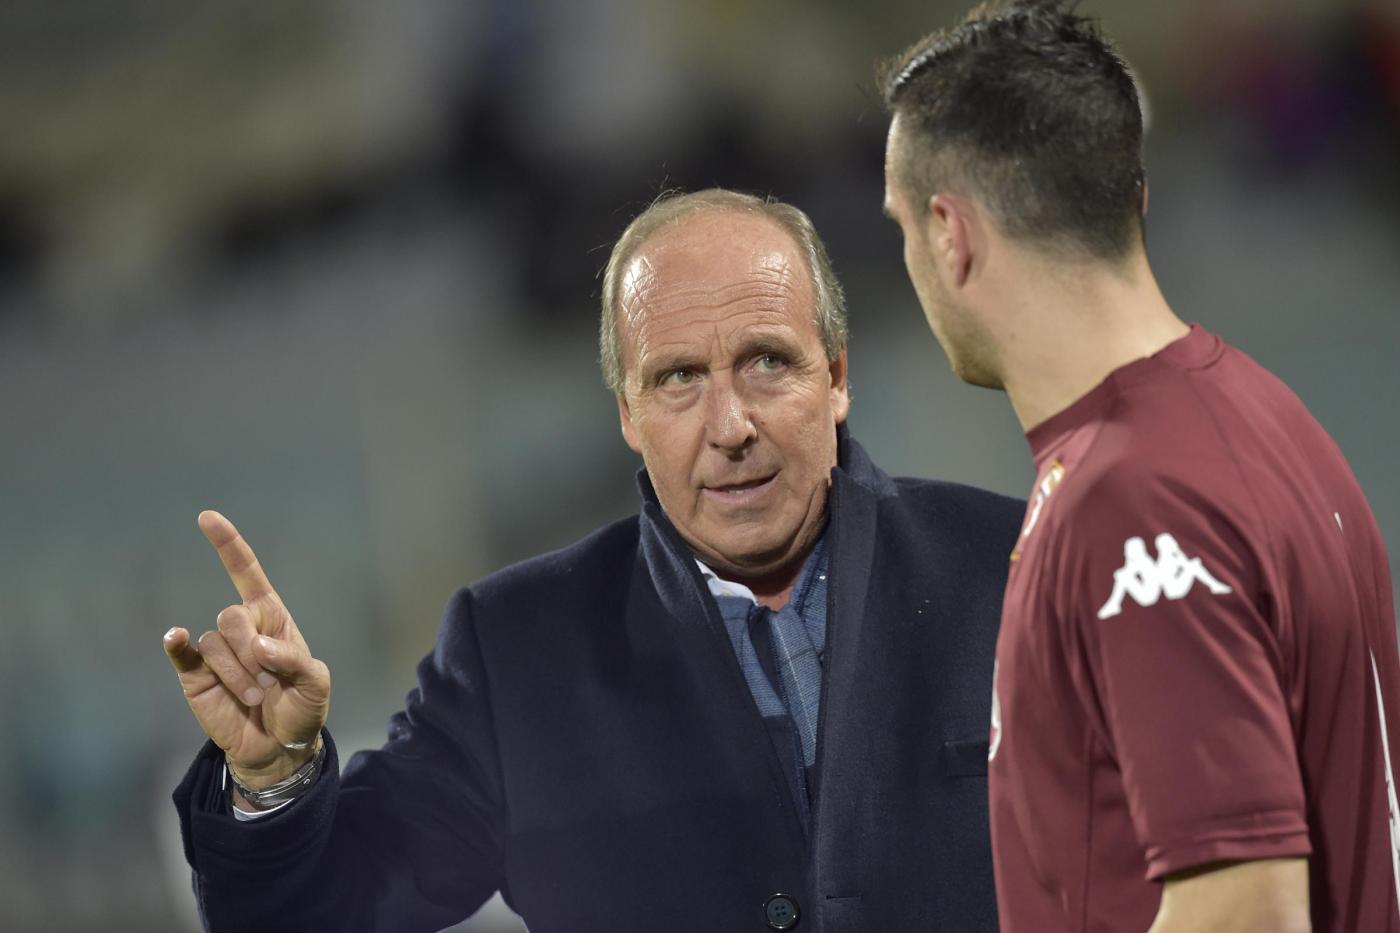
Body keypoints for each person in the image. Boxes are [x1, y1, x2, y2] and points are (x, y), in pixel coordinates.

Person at [163, 188, 1024, 932]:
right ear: (627, 415)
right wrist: (272, 779)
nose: (731, 427)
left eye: (767, 362)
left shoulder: (1018, 569)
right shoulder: (516, 651)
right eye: (678, 378)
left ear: (835, 376)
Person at [879, 3, 1400, 931]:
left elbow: (1248, 908)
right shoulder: (1254, 412)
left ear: (951, 234)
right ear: (1135, 194)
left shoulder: (1133, 502)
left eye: (903, 228)